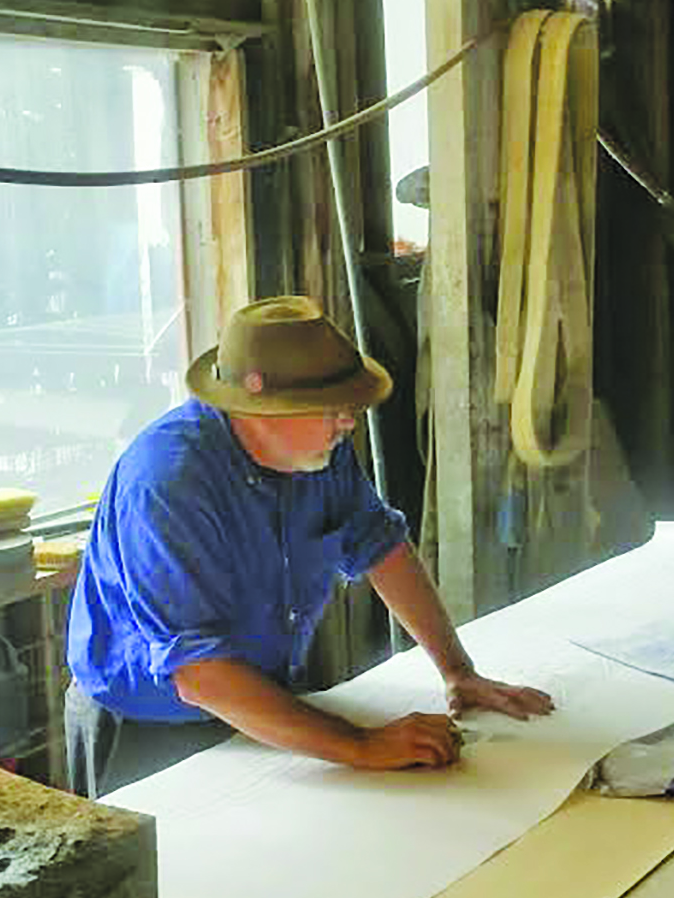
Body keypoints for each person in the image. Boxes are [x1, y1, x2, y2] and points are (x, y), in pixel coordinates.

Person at [64, 295, 554, 796]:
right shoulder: (168, 482)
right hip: (148, 723)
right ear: (261, 410)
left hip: (261, 696)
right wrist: (363, 746)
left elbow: (380, 546)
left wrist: (457, 670)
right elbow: (199, 672)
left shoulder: (319, 453)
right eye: (335, 409)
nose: (349, 423)